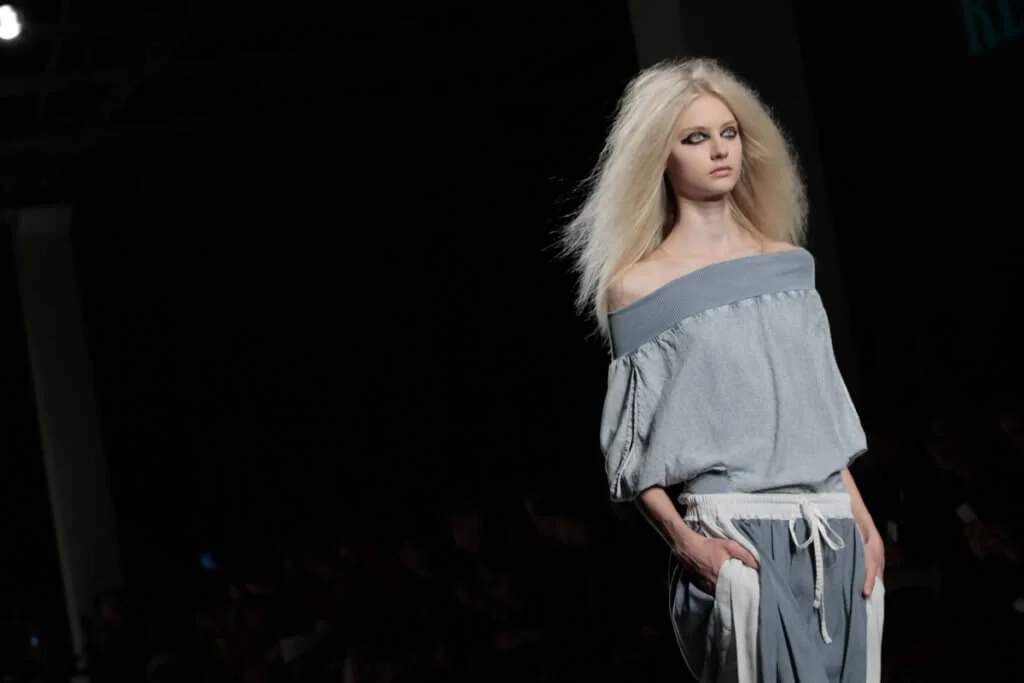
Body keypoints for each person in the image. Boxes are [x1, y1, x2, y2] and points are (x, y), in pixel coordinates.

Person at [562, 58, 885, 682]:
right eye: (695, 137)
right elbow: (632, 455)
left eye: (728, 132)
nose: (719, 150)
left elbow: (816, 409)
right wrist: (690, 546)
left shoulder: (789, 265)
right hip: (735, 536)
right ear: (660, 155)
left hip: (834, 528)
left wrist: (864, 521)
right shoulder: (639, 289)